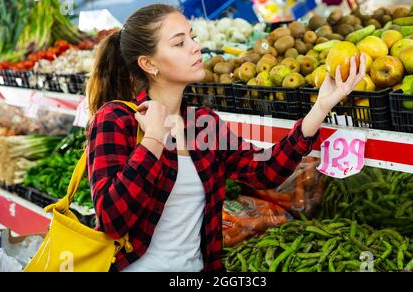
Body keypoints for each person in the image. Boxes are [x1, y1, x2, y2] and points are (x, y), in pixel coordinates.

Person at [86, 4, 366, 272]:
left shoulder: (202, 123)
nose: (195, 47)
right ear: (149, 63)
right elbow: (111, 219)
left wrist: (321, 107)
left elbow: (264, 172)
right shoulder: (117, 120)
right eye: (179, 43)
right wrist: (153, 140)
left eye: (192, 38)